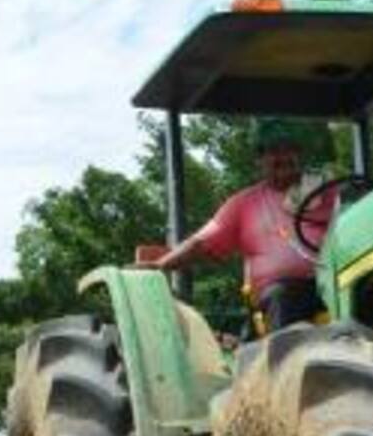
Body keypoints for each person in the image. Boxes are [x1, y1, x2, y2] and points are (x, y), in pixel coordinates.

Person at [143, 119, 338, 334]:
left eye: (289, 150)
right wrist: (160, 265)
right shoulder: (244, 204)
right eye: (274, 151)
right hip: (282, 294)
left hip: (334, 281)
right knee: (282, 296)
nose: (283, 157)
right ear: (259, 159)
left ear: (300, 155)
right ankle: (288, 363)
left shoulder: (328, 191)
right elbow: (201, 243)